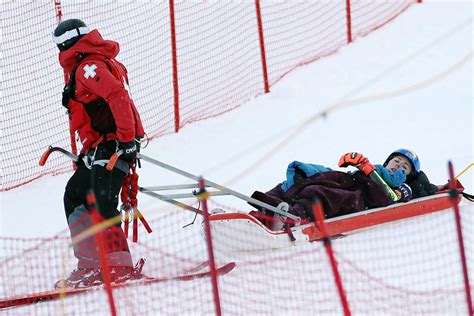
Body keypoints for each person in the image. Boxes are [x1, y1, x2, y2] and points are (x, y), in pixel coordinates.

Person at [53, 19, 145, 288]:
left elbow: (117, 95)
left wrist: (127, 140)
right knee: (75, 194)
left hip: (114, 144)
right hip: (101, 146)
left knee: (102, 201)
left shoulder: (87, 67)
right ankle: (92, 262)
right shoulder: (91, 63)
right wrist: (88, 151)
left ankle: (118, 266)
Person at [249, 149, 441, 229]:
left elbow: (390, 197)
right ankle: (261, 212)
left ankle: (291, 216)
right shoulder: (378, 169)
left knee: (319, 193)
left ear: (409, 175)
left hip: (359, 196)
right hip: (348, 180)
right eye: (396, 161)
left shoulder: (403, 186)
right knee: (303, 177)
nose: (398, 166)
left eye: (404, 167)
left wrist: (366, 167)